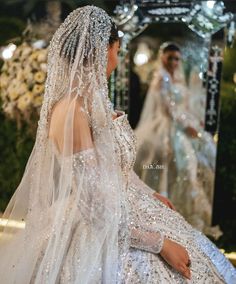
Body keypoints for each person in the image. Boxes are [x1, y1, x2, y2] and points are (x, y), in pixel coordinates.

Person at [0, 6, 235, 283]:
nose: (117, 57)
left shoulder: (96, 101)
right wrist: (160, 244)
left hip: (126, 206)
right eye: (116, 49)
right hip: (103, 224)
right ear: (104, 49)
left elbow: (117, 167)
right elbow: (94, 210)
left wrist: (148, 194)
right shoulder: (71, 112)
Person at [134, 42, 220, 238]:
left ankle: (189, 214)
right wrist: (185, 124)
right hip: (166, 126)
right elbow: (168, 108)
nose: (173, 62)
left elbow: (183, 105)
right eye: (170, 58)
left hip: (181, 123)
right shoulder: (161, 78)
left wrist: (192, 120)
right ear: (162, 58)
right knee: (171, 164)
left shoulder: (178, 78)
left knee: (193, 162)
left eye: (176, 58)